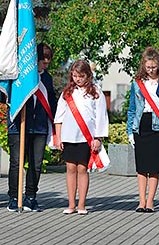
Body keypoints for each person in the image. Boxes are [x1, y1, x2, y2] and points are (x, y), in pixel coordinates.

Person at [126, 47, 159, 213]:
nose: (150, 70)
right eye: (148, 67)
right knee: (141, 167)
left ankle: (150, 202)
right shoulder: (137, 83)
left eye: (153, 67)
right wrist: (129, 131)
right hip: (141, 125)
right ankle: (141, 202)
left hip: (158, 126)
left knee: (154, 167)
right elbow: (132, 109)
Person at [7, 42, 57, 212]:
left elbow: (52, 102)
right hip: (18, 126)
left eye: (47, 63)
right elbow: (4, 96)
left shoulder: (47, 78)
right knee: (16, 163)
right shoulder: (19, 76)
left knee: (35, 164)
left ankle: (30, 197)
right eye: (43, 62)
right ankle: (14, 197)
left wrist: (56, 124)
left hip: (39, 127)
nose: (45, 66)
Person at [54, 59, 108, 215]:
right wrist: (58, 137)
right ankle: (71, 204)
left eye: (81, 76)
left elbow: (101, 117)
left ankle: (82, 204)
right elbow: (59, 117)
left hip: (86, 137)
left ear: (88, 75)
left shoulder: (96, 92)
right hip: (69, 136)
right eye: (75, 76)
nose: (78, 79)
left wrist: (98, 138)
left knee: (82, 169)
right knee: (70, 168)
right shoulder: (67, 93)